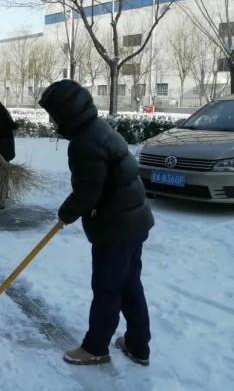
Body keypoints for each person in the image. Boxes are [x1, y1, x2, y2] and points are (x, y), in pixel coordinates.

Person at [38, 79, 154, 367]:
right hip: (134, 221)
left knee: (107, 289)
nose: (52, 122)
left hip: (116, 227)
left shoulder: (84, 143)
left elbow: (88, 191)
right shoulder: (98, 128)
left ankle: (96, 348)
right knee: (128, 286)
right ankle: (138, 346)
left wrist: (66, 213)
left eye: (53, 115)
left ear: (67, 112)